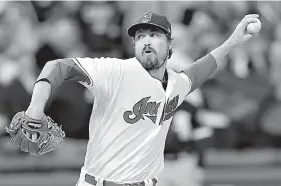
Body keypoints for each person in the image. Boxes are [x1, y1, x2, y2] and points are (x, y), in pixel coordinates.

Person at [19, 12, 260, 186]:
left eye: (154, 34)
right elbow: (58, 67)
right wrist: (35, 108)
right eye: (140, 36)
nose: (146, 40)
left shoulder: (177, 84)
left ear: (170, 44)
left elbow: (202, 68)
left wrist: (233, 41)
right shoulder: (115, 71)